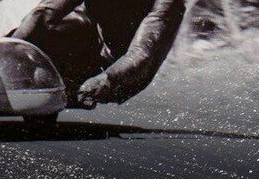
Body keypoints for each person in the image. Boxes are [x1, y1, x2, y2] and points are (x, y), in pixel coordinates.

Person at [10, 0, 186, 107]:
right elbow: (44, 13)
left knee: (92, 83)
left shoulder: (168, 4)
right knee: (62, 26)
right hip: (97, 44)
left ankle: (75, 88)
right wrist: (10, 47)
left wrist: (107, 78)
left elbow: (141, 53)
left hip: (130, 70)